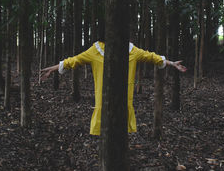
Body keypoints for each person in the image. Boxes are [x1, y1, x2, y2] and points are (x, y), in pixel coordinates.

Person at [40, 41, 187, 135]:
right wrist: (53, 69)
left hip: (123, 102)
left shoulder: (131, 50)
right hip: (103, 102)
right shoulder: (96, 50)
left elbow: (152, 57)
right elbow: (74, 60)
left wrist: (172, 63)